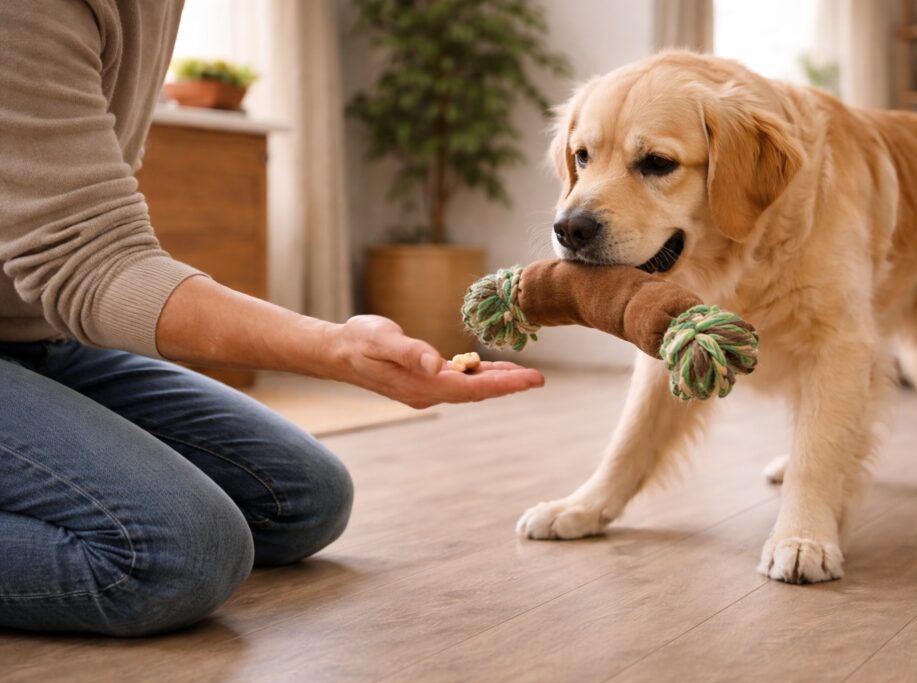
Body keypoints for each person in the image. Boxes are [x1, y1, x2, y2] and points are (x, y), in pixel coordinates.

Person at [0, 1, 544, 637]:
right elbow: (90, 261)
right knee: (176, 556)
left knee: (302, 499)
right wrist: (336, 347)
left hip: (38, 336)